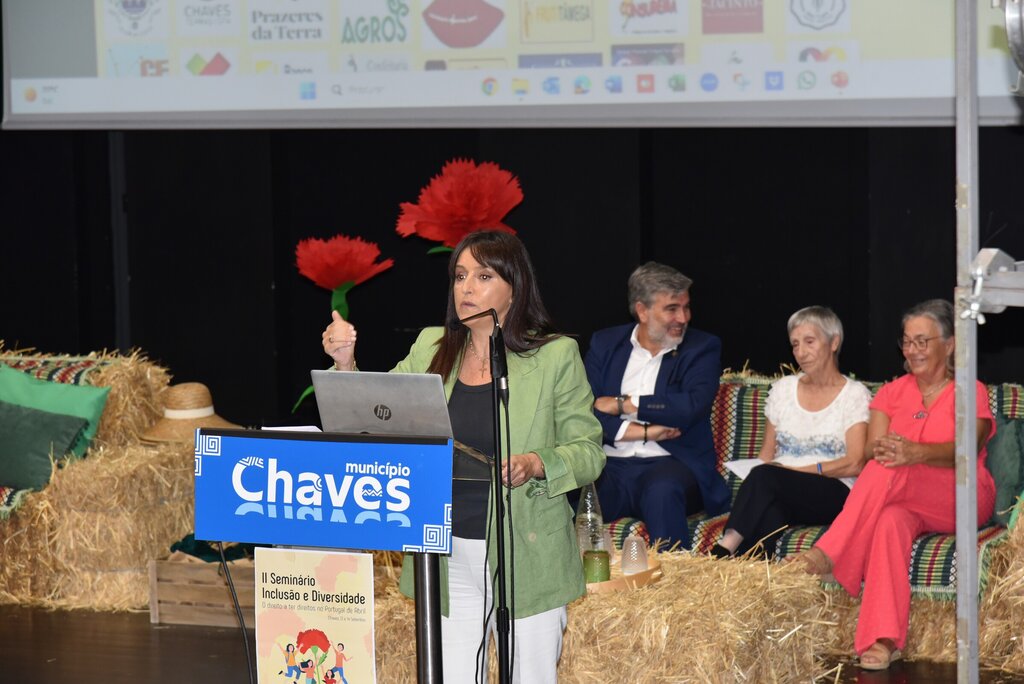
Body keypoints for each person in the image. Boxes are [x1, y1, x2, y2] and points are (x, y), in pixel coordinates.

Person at [322, 230, 605, 684]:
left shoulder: (555, 356)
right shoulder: (432, 345)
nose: (466, 288)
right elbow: (375, 416)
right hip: (443, 550)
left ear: (515, 287)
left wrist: (536, 462)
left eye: (483, 276)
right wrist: (344, 362)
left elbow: (589, 450)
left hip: (525, 551)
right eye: (459, 276)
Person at [795, 299, 996, 670]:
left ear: (950, 344)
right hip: (904, 495)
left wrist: (915, 452)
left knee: (888, 469)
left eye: (922, 341)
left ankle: (829, 553)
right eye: (907, 341)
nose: (912, 350)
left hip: (962, 494)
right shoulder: (891, 393)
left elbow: (968, 448)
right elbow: (871, 448)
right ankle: (884, 639)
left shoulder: (971, 390)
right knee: (889, 519)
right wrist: (892, 450)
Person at [584, 262, 730, 549]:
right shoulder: (605, 344)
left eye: (686, 307)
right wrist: (644, 432)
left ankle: (673, 574)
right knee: (572, 489)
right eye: (672, 309)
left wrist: (625, 404)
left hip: (671, 463)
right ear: (642, 311)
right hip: (611, 464)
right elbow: (586, 409)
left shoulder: (701, 348)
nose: (683, 318)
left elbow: (690, 406)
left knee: (662, 491)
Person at [711, 306, 871, 558]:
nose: (800, 353)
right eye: (795, 344)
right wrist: (774, 473)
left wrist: (797, 471)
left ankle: (724, 547)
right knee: (770, 511)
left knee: (765, 477)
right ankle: (752, 570)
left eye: (809, 342)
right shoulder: (783, 389)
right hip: (781, 487)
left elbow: (855, 463)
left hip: (833, 490)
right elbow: (766, 455)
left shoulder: (854, 394)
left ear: (834, 342)